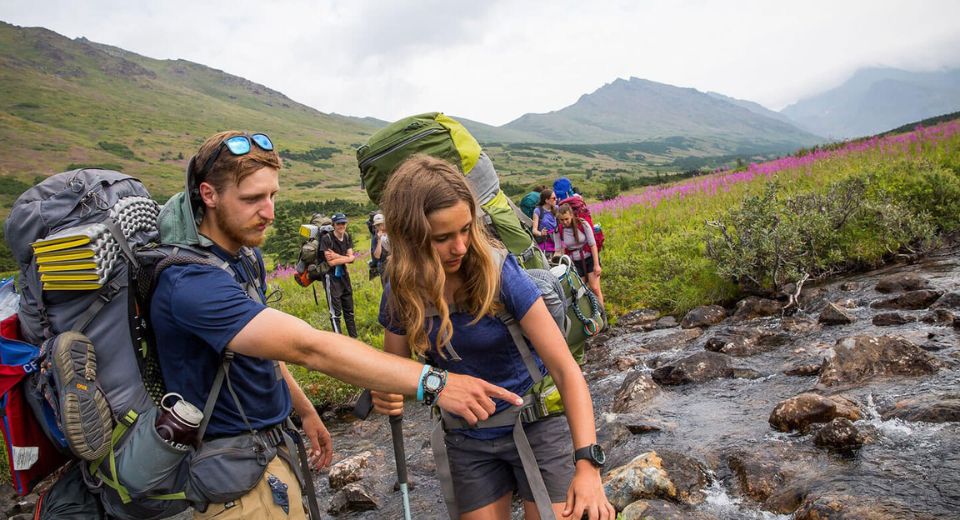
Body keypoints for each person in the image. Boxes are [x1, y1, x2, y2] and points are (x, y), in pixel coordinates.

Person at [152, 131, 524, 520]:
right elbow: (307, 347)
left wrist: (305, 411)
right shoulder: (191, 284)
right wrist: (436, 382)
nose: (269, 212)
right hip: (231, 481)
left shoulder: (240, 258)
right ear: (209, 195)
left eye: (272, 195)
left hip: (271, 454)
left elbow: (262, 348)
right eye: (252, 199)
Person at [371, 154, 615, 520]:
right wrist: (387, 391)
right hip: (466, 437)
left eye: (466, 229)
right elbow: (394, 372)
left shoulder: (499, 272)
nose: (460, 247)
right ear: (410, 238)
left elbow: (566, 370)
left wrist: (587, 465)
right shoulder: (401, 288)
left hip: (536, 422)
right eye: (442, 238)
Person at [553, 204, 604, 307]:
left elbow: (592, 244)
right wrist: (554, 261)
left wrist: (596, 265)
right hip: (575, 262)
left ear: (571, 215)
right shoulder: (558, 230)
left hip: (590, 259)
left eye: (566, 219)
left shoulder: (583, 224)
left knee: (594, 287)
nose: (565, 222)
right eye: (562, 220)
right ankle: (591, 312)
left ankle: (602, 312)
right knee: (580, 290)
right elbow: (558, 250)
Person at [320, 212, 357, 337]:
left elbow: (352, 259)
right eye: (338, 223)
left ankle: (354, 339)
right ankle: (339, 340)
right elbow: (331, 263)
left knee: (349, 310)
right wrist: (347, 258)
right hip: (331, 277)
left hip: (344, 276)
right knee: (335, 313)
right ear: (333, 225)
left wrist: (337, 256)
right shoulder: (327, 239)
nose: (341, 226)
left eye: (343, 223)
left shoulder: (346, 236)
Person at [531, 188, 559, 255]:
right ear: (547, 200)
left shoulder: (556, 208)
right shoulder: (538, 211)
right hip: (545, 242)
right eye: (554, 198)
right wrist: (541, 233)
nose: (556, 200)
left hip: (556, 240)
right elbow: (534, 230)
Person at [370, 212, 390, 284]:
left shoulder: (392, 234)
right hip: (384, 266)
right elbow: (377, 256)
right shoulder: (375, 238)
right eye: (378, 225)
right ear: (375, 226)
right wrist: (379, 240)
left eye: (382, 223)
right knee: (387, 288)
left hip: (396, 263)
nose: (381, 227)